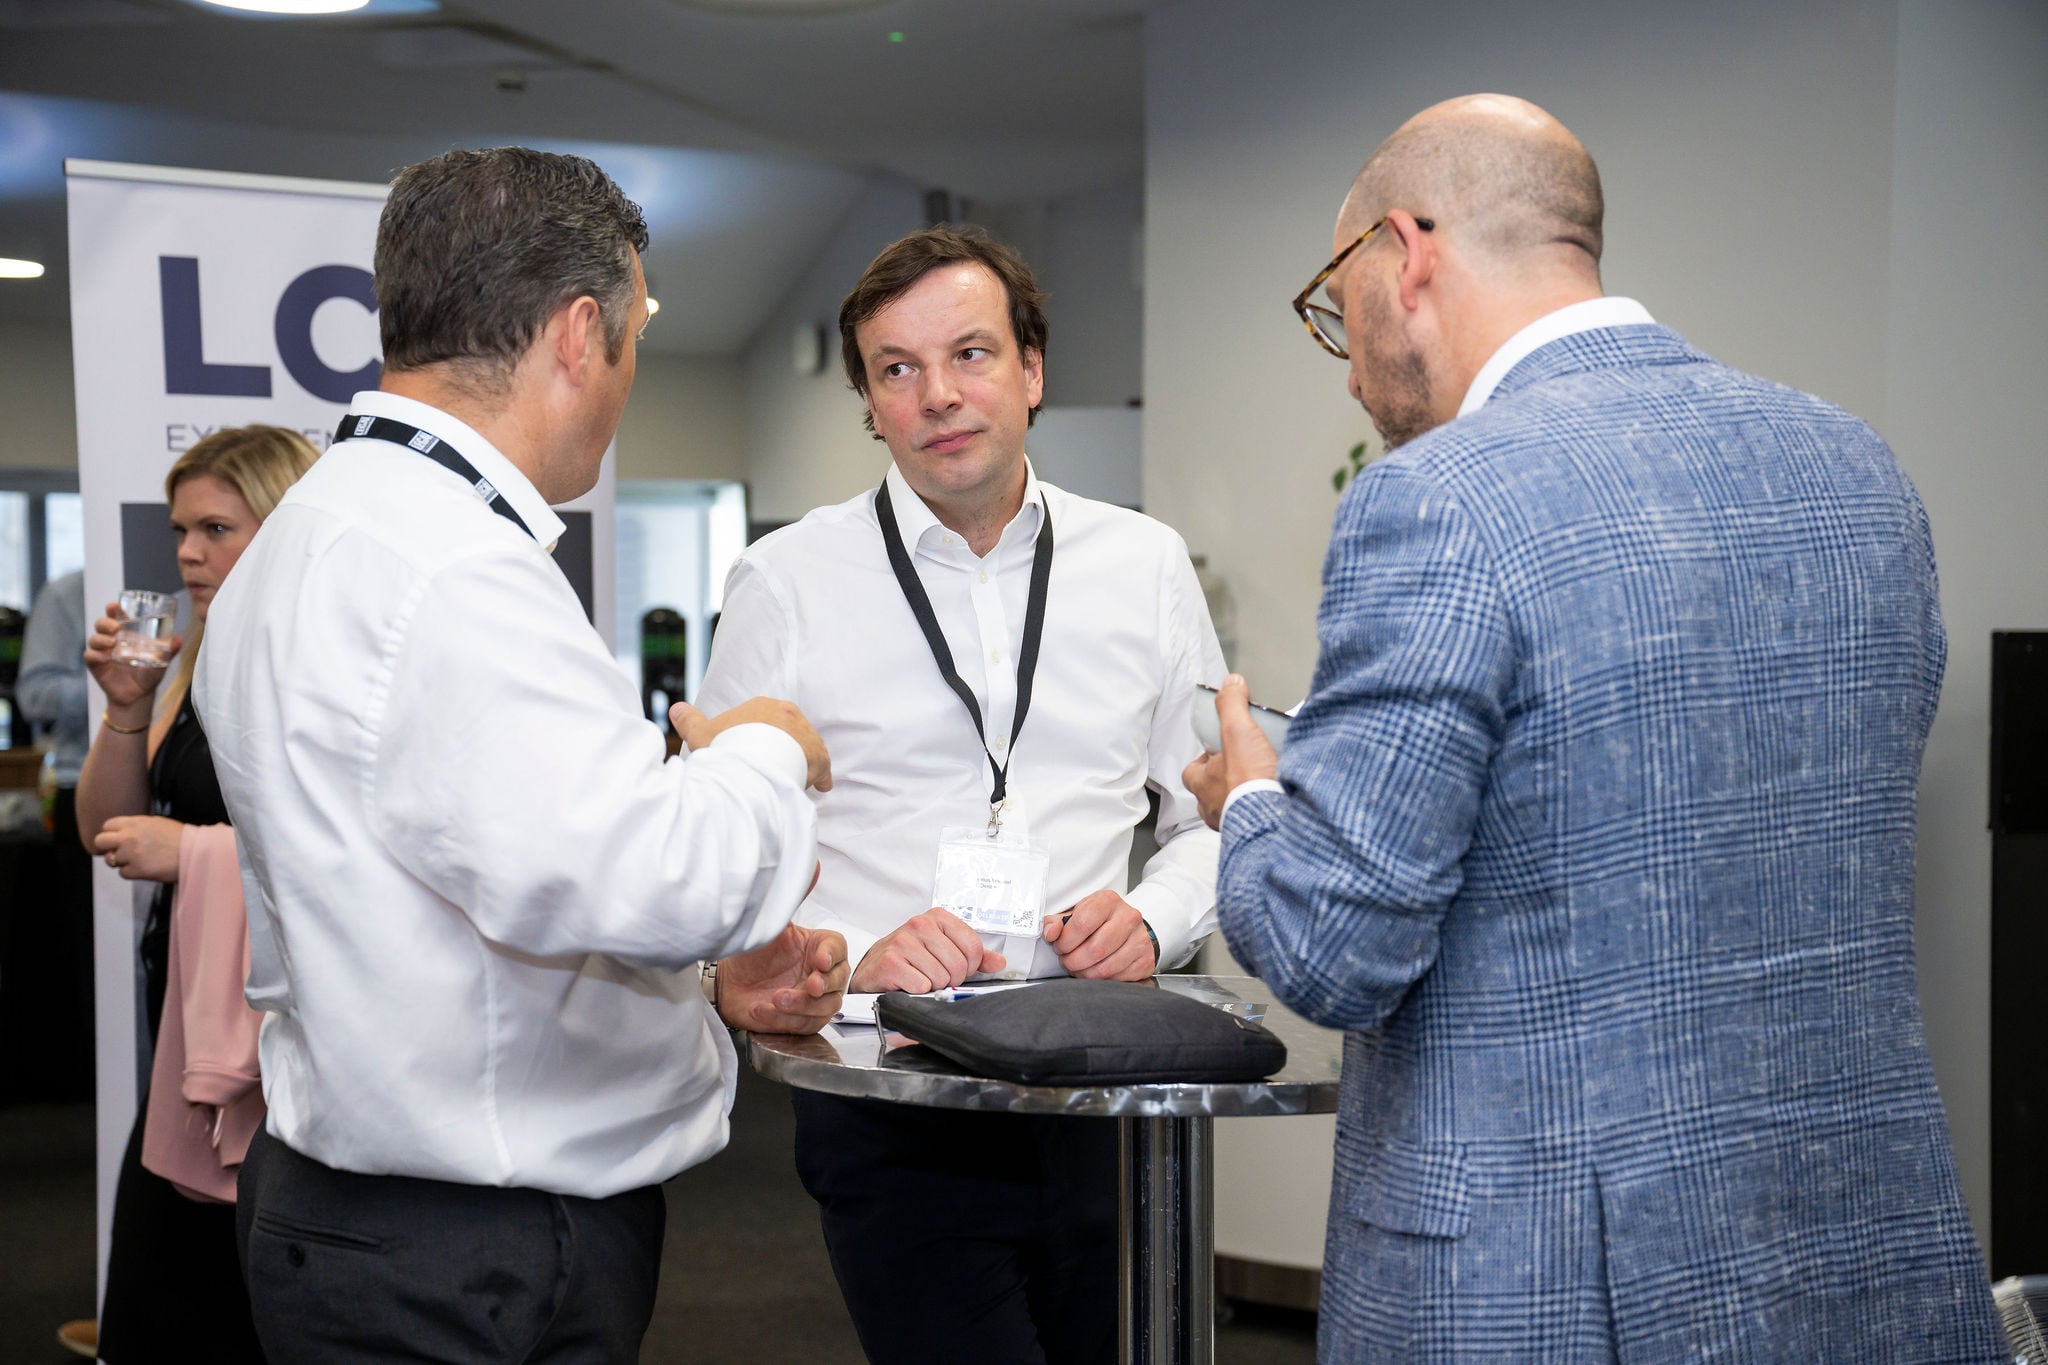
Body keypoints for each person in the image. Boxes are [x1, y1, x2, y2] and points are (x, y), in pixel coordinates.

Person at [1184, 94, 2006, 1360]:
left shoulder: (1436, 499)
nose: (1345, 367)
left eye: (1335, 309)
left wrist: (1251, 799)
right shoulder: (1856, 471)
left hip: (1557, 1290)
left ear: (1403, 253)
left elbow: (1332, 948)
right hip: (1855, 1258)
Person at [194, 146, 846, 1364]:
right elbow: (663, 880)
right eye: (638, 331)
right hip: (466, 1253)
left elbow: (456, 897)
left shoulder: (310, 534)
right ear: (579, 333)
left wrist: (703, 994)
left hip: (355, 1210)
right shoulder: (451, 569)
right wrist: (765, 745)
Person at [696, 224, 1225, 1364]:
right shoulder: (784, 582)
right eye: (897, 368)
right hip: (892, 1092)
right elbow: (725, 853)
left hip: (1103, 1081)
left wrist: (1152, 918)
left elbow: (1207, 818)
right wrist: (854, 952)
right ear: (870, 404)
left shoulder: (1145, 565)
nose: (937, 394)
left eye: (970, 354)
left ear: (1031, 370)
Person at [75, 425, 321, 1364]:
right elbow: (109, 828)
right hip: (187, 1018)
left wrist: (192, 851)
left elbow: (348, 852)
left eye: (216, 528)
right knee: (162, 1297)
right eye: (182, 530)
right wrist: (126, 706)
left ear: (283, 527)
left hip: (282, 1042)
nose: (186, 552)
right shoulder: (202, 649)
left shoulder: (319, 661)